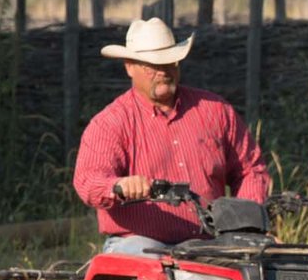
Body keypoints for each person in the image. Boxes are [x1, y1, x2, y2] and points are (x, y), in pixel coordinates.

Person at [74, 17, 271, 255]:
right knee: (148, 264)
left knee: (266, 270)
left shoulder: (215, 111)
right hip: (140, 242)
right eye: (151, 66)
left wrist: (245, 225)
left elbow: (250, 169)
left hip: (209, 242)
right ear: (129, 66)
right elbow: (88, 181)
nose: (163, 72)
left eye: (170, 63)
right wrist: (118, 185)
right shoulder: (110, 123)